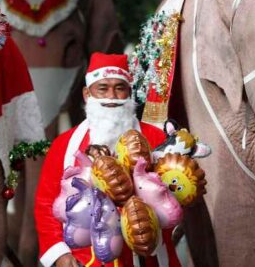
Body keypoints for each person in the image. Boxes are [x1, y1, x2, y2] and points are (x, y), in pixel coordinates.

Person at [34, 52, 181, 267]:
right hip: (85, 260)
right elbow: (45, 204)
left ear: (129, 93)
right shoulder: (65, 144)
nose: (111, 96)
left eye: (119, 88)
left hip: (150, 258)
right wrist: (59, 254)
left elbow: (177, 195)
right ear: (87, 94)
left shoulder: (156, 138)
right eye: (102, 88)